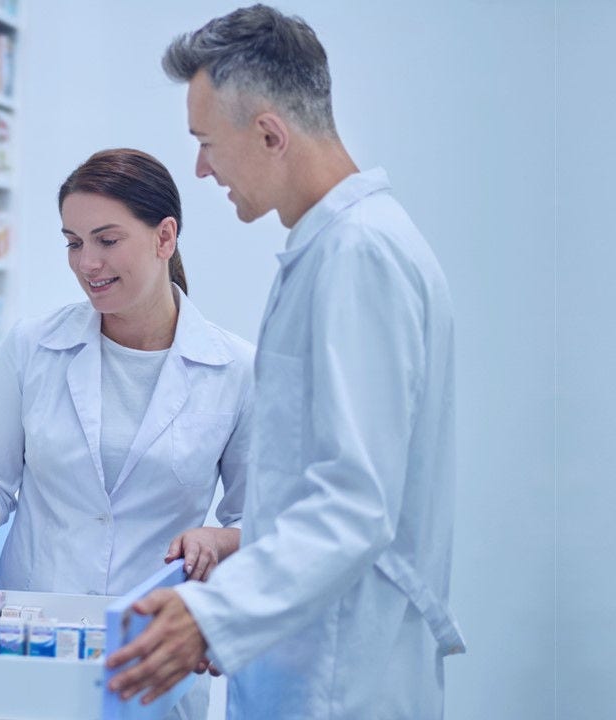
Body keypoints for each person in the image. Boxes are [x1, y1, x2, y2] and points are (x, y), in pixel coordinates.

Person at [105, 5, 466, 719]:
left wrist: (217, 614)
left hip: (338, 679)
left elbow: (354, 503)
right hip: (310, 662)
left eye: (207, 143)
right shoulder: (335, 248)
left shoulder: (358, 256)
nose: (201, 169)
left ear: (270, 133)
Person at [0, 148, 256, 718]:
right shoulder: (33, 346)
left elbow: (258, 522)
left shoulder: (234, 369)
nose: (87, 263)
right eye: (73, 242)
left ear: (165, 237)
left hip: (152, 655)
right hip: (29, 641)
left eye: (106, 241)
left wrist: (216, 540)